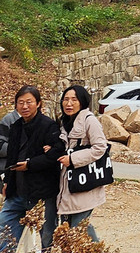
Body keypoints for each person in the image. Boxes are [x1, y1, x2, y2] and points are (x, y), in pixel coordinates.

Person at [0, 85, 62, 251]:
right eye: (20, 103)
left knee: (46, 234)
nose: (25, 106)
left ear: (39, 103)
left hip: (41, 192)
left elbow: (55, 156)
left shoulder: (49, 126)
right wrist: (7, 181)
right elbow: (11, 157)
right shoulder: (16, 126)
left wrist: (30, 164)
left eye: (29, 102)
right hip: (17, 190)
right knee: (4, 227)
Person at [55, 85, 108, 241]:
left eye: (74, 99)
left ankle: (96, 249)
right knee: (70, 228)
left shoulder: (89, 120)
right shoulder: (64, 122)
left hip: (84, 184)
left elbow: (100, 147)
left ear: (82, 101)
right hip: (68, 185)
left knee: (78, 228)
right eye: (65, 99)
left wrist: (72, 159)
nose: (69, 104)